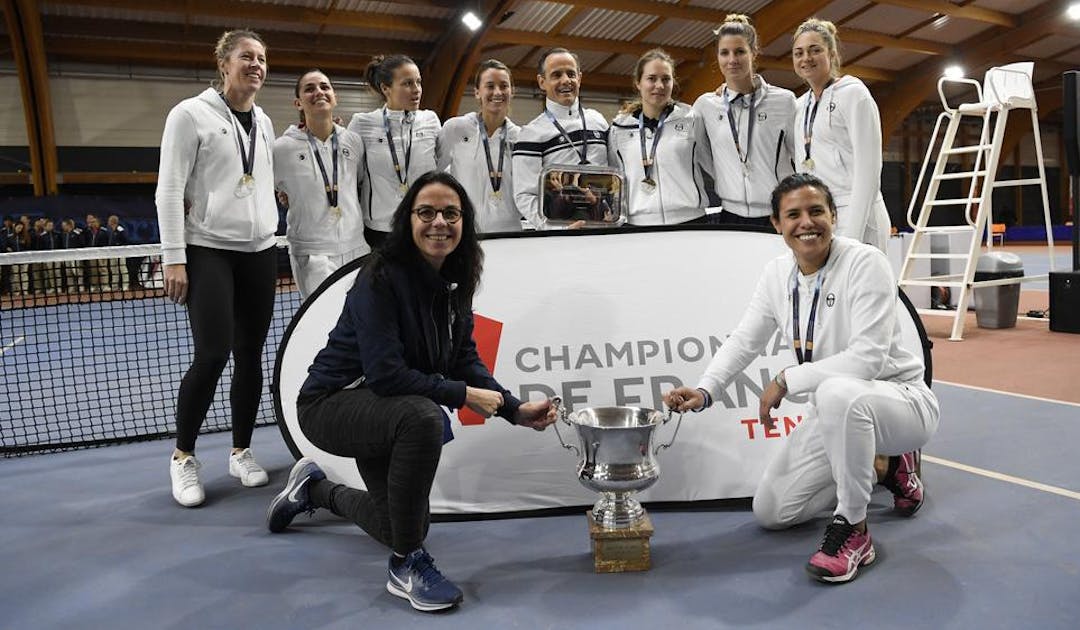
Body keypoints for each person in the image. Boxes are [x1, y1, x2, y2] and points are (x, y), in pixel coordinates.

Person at [265, 171, 558, 612]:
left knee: (401, 523)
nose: (439, 222)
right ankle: (405, 565)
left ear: (464, 222)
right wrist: (461, 396)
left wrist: (515, 410)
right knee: (423, 417)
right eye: (427, 212)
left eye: (451, 213)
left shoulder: (455, 281)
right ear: (409, 220)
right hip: (331, 405)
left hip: (384, 408)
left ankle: (314, 491)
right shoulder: (378, 277)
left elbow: (463, 359)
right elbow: (385, 375)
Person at [664, 173, 938, 584]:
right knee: (773, 511)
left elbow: (866, 359)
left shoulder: (866, 263)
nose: (806, 222)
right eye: (793, 214)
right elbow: (745, 339)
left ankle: (855, 529)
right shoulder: (777, 274)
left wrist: (788, 379)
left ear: (833, 215)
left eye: (816, 211)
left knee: (835, 393)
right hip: (836, 410)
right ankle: (887, 466)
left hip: (901, 402)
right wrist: (706, 390)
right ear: (777, 224)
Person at [155, 29, 278, 507]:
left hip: (261, 251)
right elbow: (168, 190)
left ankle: (241, 451)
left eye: (262, 59)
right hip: (208, 249)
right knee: (212, 354)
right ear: (223, 63)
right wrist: (174, 257)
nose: (256, 65)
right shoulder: (189, 114)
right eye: (246, 56)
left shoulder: (264, 121)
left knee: (251, 353)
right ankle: (183, 457)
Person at [792, 18, 890, 251]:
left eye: (815, 50)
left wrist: (852, 235)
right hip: (820, 217)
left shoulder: (854, 94)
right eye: (799, 52)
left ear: (832, 53)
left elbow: (869, 170)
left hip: (858, 214)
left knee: (863, 286)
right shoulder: (799, 105)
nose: (806, 58)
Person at [695, 14, 798, 227]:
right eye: (725, 53)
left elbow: (800, 155)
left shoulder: (784, 101)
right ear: (718, 57)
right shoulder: (706, 105)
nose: (732, 60)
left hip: (777, 214)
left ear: (753, 52)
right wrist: (725, 174)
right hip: (730, 214)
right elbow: (700, 151)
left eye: (740, 51)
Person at [275, 69, 369, 300]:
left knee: (363, 319)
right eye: (309, 89)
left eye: (325, 87)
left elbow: (356, 182)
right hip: (313, 254)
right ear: (298, 102)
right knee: (326, 324)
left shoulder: (354, 141)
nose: (319, 92)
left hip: (357, 247)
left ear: (334, 96)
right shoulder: (281, 149)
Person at [348, 55, 440, 249]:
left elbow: (442, 166)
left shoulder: (430, 120)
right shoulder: (363, 123)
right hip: (380, 230)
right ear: (385, 88)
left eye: (418, 82)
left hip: (424, 224)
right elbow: (348, 171)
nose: (416, 90)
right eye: (407, 83)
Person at [608, 49, 707, 226]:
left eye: (666, 79)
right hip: (639, 225)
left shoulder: (692, 119)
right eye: (652, 78)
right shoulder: (618, 129)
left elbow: (714, 162)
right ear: (638, 83)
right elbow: (614, 180)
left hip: (690, 221)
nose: (659, 85)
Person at [513, 47, 609, 229]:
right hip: (561, 235)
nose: (566, 80)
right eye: (556, 75)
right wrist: (557, 229)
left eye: (571, 74)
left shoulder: (599, 121)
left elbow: (614, 178)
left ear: (579, 78)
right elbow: (524, 196)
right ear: (542, 82)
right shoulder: (531, 133)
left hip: (603, 227)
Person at [437, 59, 523, 233]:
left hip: (511, 234)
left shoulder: (521, 137)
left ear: (512, 91)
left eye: (504, 86)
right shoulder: (455, 129)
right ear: (477, 92)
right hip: (465, 233)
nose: (497, 92)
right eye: (490, 86)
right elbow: (433, 174)